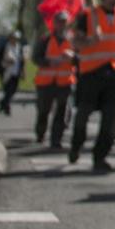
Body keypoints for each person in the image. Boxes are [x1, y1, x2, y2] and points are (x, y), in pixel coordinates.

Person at [69, 0, 115, 172]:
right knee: (83, 114)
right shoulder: (88, 15)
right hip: (92, 73)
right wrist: (90, 40)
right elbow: (76, 44)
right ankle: (76, 145)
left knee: (110, 118)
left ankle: (100, 156)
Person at [32, 10, 77, 148]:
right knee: (43, 110)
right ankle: (40, 133)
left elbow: (82, 59)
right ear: (54, 23)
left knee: (61, 111)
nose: (62, 24)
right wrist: (48, 62)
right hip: (46, 82)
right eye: (59, 21)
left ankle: (56, 139)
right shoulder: (45, 40)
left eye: (64, 22)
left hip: (65, 82)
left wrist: (73, 57)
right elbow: (35, 57)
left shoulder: (73, 40)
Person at [0, 28, 26, 117]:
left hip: (15, 72)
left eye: (16, 38)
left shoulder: (19, 47)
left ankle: (2, 103)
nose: (15, 39)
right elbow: (0, 59)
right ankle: (7, 108)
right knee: (8, 90)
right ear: (10, 38)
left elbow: (22, 61)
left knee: (13, 90)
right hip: (6, 72)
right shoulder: (6, 46)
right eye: (13, 37)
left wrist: (22, 71)